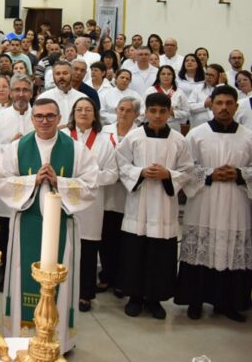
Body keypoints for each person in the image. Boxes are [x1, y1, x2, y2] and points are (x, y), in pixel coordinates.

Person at [0, 98, 97, 353]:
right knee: (22, 274)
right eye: (39, 116)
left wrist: (59, 181)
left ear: (59, 118)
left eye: (50, 116)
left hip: (63, 225)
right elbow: (1, 181)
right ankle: (21, 336)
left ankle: (58, 339)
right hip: (26, 224)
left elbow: (91, 185)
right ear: (32, 119)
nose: (44, 121)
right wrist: (33, 180)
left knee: (61, 278)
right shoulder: (17, 148)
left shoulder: (77, 149)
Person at [175, 86, 252, 322]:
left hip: (236, 202)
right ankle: (195, 301)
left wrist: (240, 175)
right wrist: (209, 175)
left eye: (229, 103)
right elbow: (184, 168)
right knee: (200, 249)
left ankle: (227, 303)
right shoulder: (197, 134)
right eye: (219, 103)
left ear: (236, 107)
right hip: (204, 201)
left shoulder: (248, 136)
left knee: (232, 250)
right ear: (212, 105)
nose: (224, 108)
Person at [116, 93, 194, 320]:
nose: (158, 116)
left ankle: (154, 299)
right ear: (145, 113)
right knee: (135, 251)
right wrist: (139, 172)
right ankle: (135, 297)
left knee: (160, 254)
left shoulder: (179, 140)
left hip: (163, 205)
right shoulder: (134, 137)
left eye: (162, 111)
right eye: (153, 111)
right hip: (138, 204)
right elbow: (121, 163)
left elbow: (188, 170)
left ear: (170, 112)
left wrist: (168, 174)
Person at [66, 98, 119, 312]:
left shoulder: (105, 141)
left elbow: (113, 174)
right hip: (66, 199)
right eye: (79, 109)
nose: (84, 113)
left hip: (92, 203)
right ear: (73, 113)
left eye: (88, 110)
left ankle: (85, 294)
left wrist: (89, 177)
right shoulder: (62, 137)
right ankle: (62, 290)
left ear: (95, 115)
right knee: (65, 247)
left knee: (87, 250)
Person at [98, 96, 140, 296]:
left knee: (124, 239)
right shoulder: (105, 132)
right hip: (107, 192)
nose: (123, 113)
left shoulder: (139, 134)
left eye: (128, 110)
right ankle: (106, 275)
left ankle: (122, 279)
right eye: (121, 109)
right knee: (107, 236)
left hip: (128, 191)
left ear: (136, 114)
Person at [37, 60, 87, 126]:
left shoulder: (82, 98)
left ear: (71, 75)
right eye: (58, 74)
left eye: (65, 73)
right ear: (53, 76)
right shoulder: (43, 98)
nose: (61, 77)